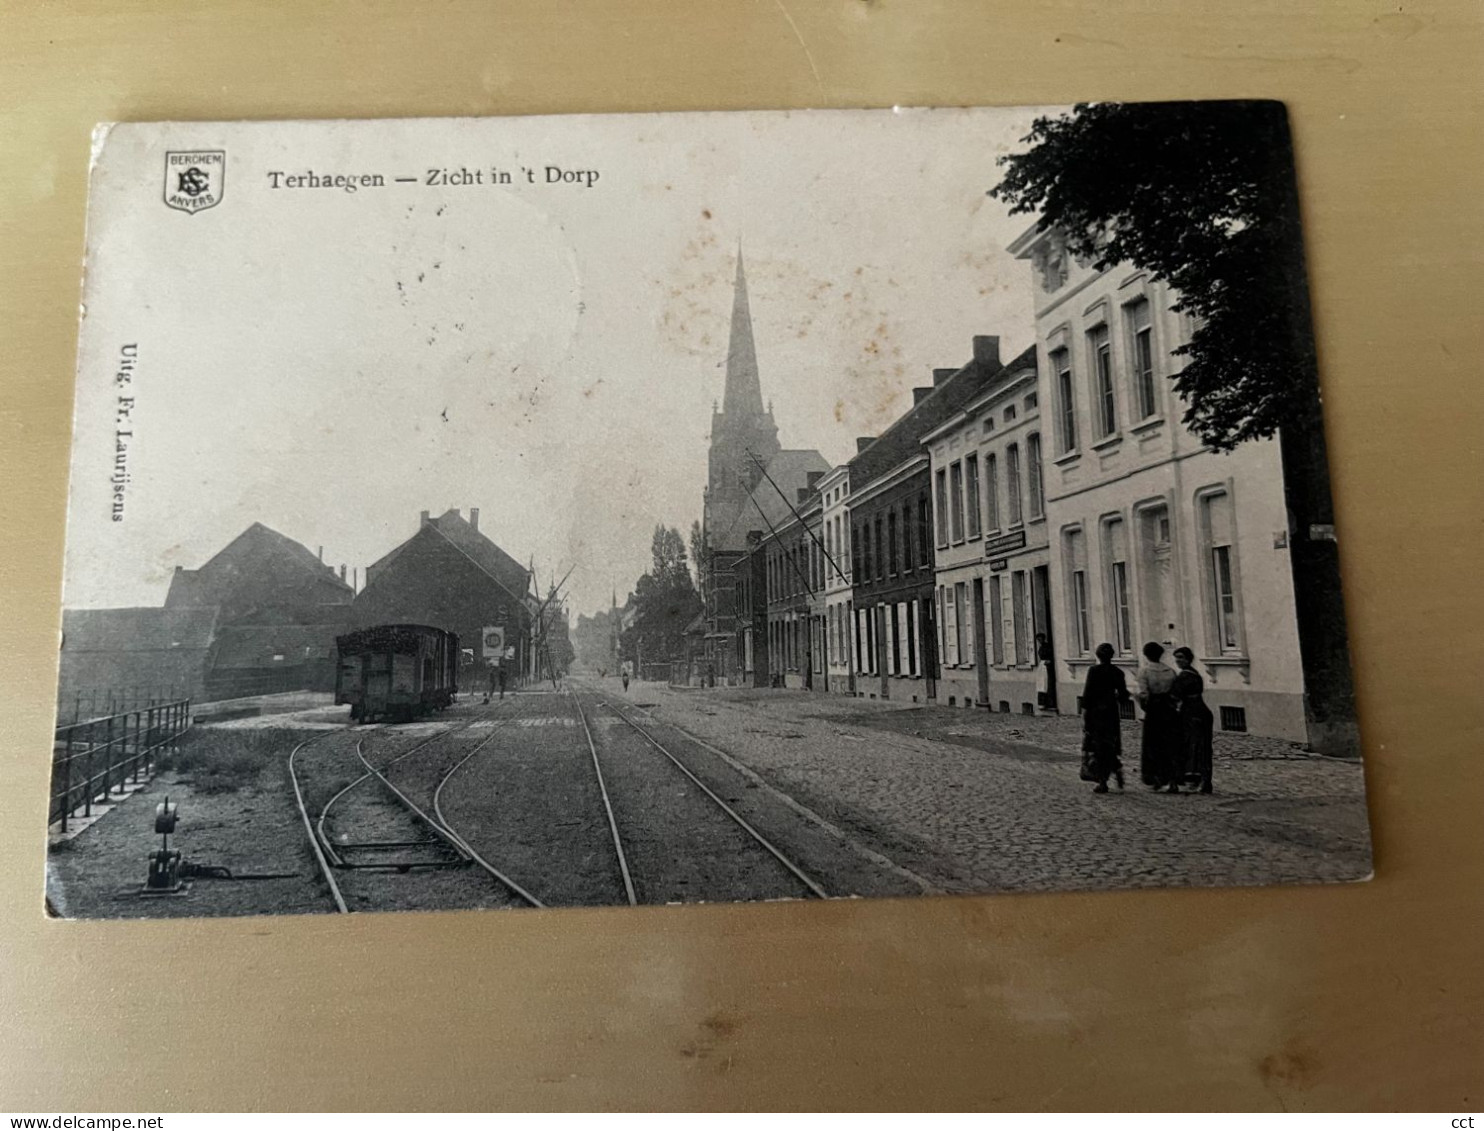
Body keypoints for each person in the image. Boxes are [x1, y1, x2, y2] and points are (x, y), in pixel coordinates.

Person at [1079, 642, 1129, 793]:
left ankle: (1103, 781)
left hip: (1096, 713)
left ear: (1098, 656)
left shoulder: (1094, 671)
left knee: (1097, 747)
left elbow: (1087, 695)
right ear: (1112, 656)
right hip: (1111, 713)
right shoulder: (1118, 672)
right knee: (1110, 744)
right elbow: (1124, 696)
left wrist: (1084, 716)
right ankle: (1116, 766)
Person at [1135, 641, 1181, 792]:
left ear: (1146, 655)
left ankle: (1156, 778)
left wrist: (1142, 704)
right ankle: (1173, 779)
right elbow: (1176, 692)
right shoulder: (1170, 671)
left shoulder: (1145, 671)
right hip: (1169, 709)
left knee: (1153, 745)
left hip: (1154, 710)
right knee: (1172, 744)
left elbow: (1144, 694)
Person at [1171, 647, 1215, 793]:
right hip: (1202, 711)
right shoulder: (1196, 674)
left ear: (1188, 659)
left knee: (1192, 746)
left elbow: (1175, 696)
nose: (1178, 661)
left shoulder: (1183, 677)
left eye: (1181, 658)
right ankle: (1205, 780)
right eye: (1176, 658)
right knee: (1204, 747)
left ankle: (1193, 777)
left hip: (1191, 713)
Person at [1034, 633, 1056, 710]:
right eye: (1038, 640)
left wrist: (1049, 661)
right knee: (1041, 684)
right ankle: (1042, 703)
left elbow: (1051, 657)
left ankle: (1050, 703)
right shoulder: (1041, 647)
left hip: (1047, 667)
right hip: (1042, 666)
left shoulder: (1047, 647)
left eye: (1040, 639)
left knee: (1047, 684)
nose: (1039, 641)